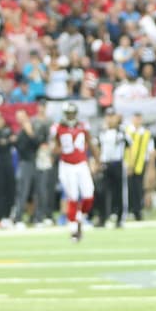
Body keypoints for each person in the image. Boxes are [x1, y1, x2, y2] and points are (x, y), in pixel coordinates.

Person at [53, 103, 96, 241]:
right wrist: (55, 151)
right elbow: (55, 148)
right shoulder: (57, 128)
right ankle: (73, 228)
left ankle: (79, 218)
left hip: (82, 164)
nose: (70, 116)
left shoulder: (83, 126)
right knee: (73, 196)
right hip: (67, 165)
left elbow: (91, 143)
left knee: (89, 194)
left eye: (72, 113)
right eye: (68, 113)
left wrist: (97, 160)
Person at [125, 114, 152, 222]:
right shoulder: (126, 131)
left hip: (140, 165)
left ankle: (137, 211)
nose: (137, 121)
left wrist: (151, 167)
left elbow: (150, 151)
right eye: (135, 118)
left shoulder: (146, 133)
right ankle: (128, 210)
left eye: (139, 119)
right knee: (128, 189)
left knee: (138, 189)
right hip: (127, 165)